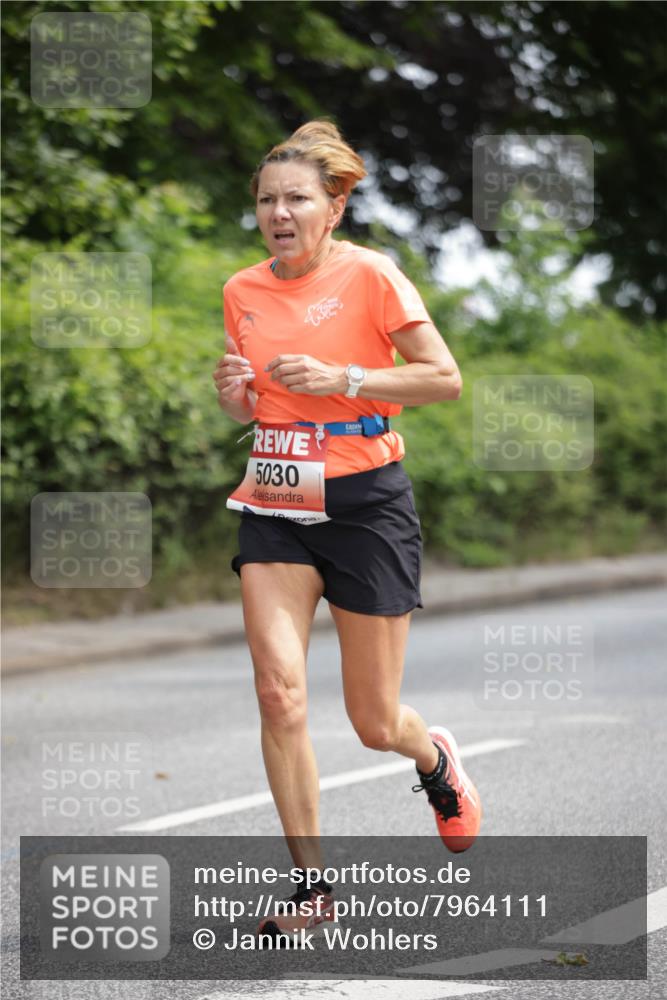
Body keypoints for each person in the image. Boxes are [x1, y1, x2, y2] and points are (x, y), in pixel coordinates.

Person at [212, 119, 482, 942]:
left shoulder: (372, 277)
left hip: (366, 505)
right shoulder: (242, 291)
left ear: (333, 207)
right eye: (266, 200)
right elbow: (261, 401)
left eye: (296, 198)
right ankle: (311, 890)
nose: (278, 213)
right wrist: (237, 400)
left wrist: (348, 376)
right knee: (277, 692)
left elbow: (444, 378)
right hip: (276, 502)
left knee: (373, 722)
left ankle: (431, 757)